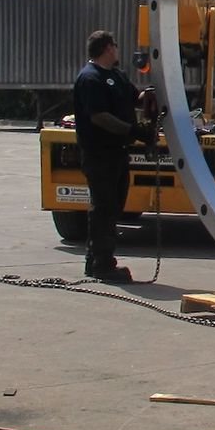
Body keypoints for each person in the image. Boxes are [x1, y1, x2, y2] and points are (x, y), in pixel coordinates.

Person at [71, 30, 156, 283]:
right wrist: (132, 130)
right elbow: (99, 116)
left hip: (118, 152)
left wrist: (149, 95)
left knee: (114, 205)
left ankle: (94, 259)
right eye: (115, 45)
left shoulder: (116, 76)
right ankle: (103, 264)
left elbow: (135, 98)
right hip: (99, 153)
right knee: (104, 207)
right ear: (108, 48)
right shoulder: (90, 79)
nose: (118, 49)